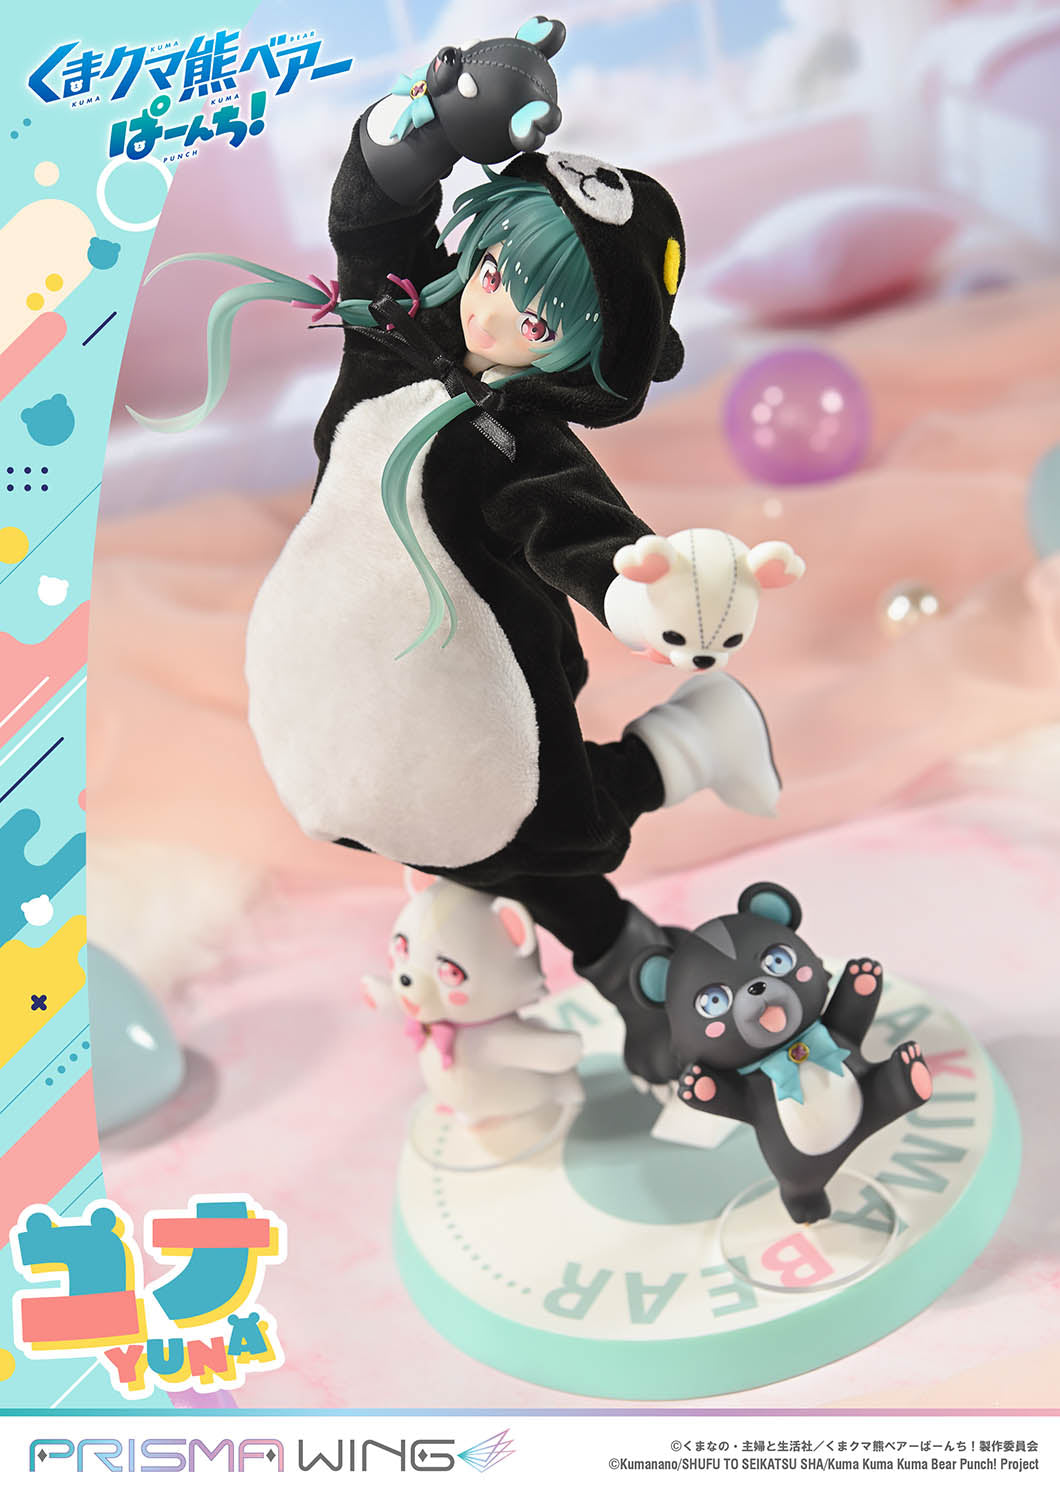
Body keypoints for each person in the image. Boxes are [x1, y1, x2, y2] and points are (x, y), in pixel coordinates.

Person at [132, 23, 785, 1082]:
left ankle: (686, 766)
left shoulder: (519, 442)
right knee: (393, 815)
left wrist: (644, 590)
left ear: (592, 349)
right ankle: (633, 929)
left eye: (544, 316)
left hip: (472, 702)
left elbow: (580, 533)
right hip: (338, 665)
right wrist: (429, 127)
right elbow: (373, 218)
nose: (496, 309)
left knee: (552, 828)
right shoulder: (394, 334)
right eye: (491, 268)